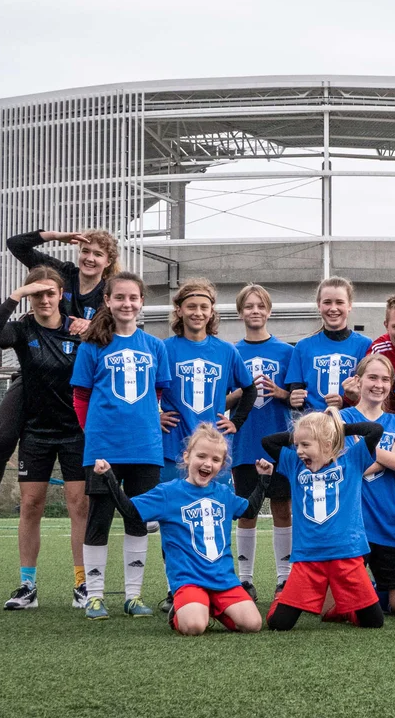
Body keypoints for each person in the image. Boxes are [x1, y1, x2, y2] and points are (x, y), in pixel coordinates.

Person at [0, 228, 118, 555]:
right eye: (85, 250)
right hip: (39, 373)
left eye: (97, 253)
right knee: (2, 438)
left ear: (109, 261)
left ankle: (138, 504)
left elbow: (122, 330)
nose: (89, 257)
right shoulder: (62, 275)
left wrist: (94, 327)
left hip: (81, 381)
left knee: (112, 436)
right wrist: (63, 235)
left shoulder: (110, 293)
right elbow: (15, 244)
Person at [0, 267, 88, 610]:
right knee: (30, 506)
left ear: (60, 296)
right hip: (36, 432)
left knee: (79, 506)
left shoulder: (78, 329)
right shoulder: (22, 329)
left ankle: (83, 585)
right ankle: (27, 586)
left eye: (50, 293)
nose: (44, 299)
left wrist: (91, 327)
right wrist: (15, 295)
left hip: (75, 432)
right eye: (36, 293)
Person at [95, 423, 267, 635]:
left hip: (223, 580)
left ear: (222, 466)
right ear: (187, 457)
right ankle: (183, 610)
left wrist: (264, 480)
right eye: (201, 456)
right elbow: (131, 511)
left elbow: (249, 511)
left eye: (215, 460)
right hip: (189, 580)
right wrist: (109, 478)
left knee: (253, 624)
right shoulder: (169, 493)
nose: (207, 464)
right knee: (194, 627)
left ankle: (211, 607)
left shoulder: (223, 493)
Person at [71, 272, 171, 620]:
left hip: (145, 448)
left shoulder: (156, 347)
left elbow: (157, 394)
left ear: (142, 302)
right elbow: (81, 397)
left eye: (134, 298)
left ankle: (133, 595)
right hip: (103, 449)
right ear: (108, 301)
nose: (127, 304)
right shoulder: (92, 346)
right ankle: (95, 596)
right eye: (120, 298)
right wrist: (95, 435)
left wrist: (141, 422)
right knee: (98, 519)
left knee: (138, 519)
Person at [262, 409, 386, 629]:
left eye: (306, 445)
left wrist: (336, 429)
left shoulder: (351, 461)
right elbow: (268, 441)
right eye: (298, 445)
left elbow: (375, 430)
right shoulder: (294, 465)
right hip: (308, 558)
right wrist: (303, 435)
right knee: (278, 625)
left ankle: (346, 611)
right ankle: (282, 596)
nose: (299, 450)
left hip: (347, 555)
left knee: (374, 623)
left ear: (327, 444)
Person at [227, 284, 295, 601]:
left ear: (269, 311)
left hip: (279, 446)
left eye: (261, 306)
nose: (255, 311)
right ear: (240, 312)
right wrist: (243, 392)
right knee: (246, 511)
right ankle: (245, 580)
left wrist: (279, 392)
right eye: (249, 306)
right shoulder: (232, 352)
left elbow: (298, 400)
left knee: (283, 509)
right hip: (244, 444)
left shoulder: (286, 352)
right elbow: (222, 400)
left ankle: (284, 579)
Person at [341, 355, 395, 616]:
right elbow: (349, 468)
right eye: (372, 377)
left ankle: (372, 589)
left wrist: (365, 451)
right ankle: (368, 591)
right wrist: (390, 456)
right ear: (358, 380)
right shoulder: (341, 421)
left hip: (390, 523)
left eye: (385, 379)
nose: (379, 385)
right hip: (351, 527)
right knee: (336, 611)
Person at [159, 279, 256, 486]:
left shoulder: (226, 350)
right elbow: (147, 389)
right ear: (179, 310)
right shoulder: (164, 349)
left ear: (211, 312)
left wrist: (235, 423)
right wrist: (155, 416)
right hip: (172, 446)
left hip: (214, 447)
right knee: (171, 510)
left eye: (204, 307)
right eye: (191, 307)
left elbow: (250, 389)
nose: (198, 313)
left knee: (214, 510)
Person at [287, 276, 372, 414]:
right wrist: (293, 399)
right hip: (313, 426)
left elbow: (370, 392)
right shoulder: (303, 347)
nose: (333, 308)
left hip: (351, 425)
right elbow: (295, 392)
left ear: (349, 305)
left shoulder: (365, 345)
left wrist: (346, 401)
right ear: (319, 305)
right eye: (327, 302)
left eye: (339, 302)